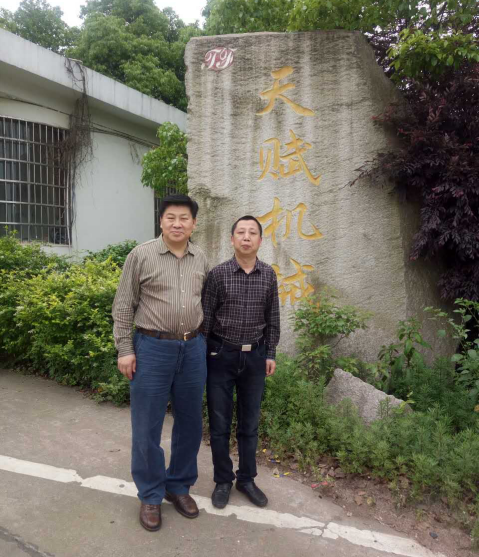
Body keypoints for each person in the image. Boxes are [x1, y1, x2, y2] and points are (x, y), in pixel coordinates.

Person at [112, 194, 208, 532]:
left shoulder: (201, 258)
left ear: (194, 223)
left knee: (190, 423)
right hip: (151, 348)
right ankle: (151, 493)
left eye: (184, 218)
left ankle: (178, 486)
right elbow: (123, 305)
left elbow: (204, 303)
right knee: (147, 426)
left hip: (192, 349)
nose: (177, 224)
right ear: (161, 221)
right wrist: (125, 349)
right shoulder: (141, 255)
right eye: (171, 217)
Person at [202, 215, 280, 509]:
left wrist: (270, 353)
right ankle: (223, 480)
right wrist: (203, 357)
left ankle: (246, 479)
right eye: (241, 232)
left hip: (255, 357)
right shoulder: (218, 275)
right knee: (219, 423)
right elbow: (206, 320)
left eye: (252, 233)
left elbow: (273, 318)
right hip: (221, 355)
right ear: (232, 239)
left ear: (260, 240)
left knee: (250, 423)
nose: (246, 237)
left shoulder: (268, 275)